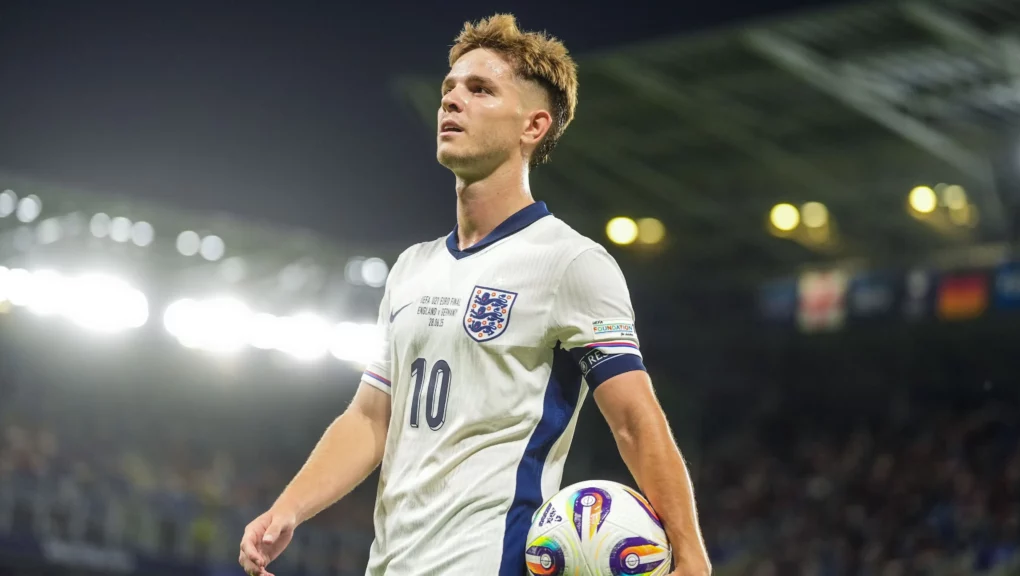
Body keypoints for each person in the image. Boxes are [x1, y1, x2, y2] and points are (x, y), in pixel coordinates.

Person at [239, 14, 711, 576]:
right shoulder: (411, 268)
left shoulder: (570, 262)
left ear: (533, 126)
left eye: (481, 89)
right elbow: (369, 418)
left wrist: (691, 554)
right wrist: (288, 509)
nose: (452, 100)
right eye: (450, 88)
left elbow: (634, 418)